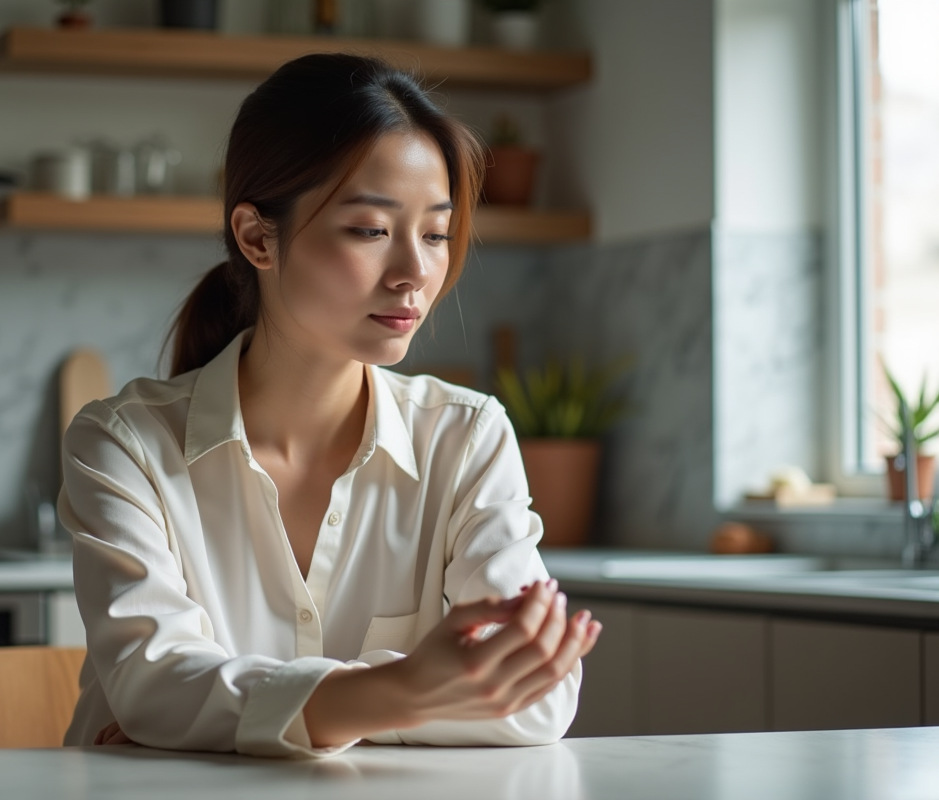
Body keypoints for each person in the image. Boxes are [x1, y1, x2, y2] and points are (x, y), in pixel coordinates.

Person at [58, 52, 602, 758]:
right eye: (371, 230)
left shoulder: (467, 437)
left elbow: (536, 695)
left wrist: (242, 711)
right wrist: (410, 690)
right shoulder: (124, 443)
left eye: (435, 234)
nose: (415, 273)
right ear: (258, 237)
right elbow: (152, 683)